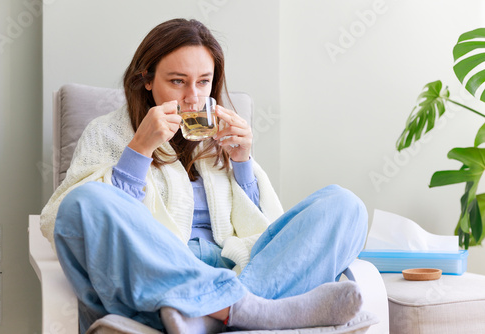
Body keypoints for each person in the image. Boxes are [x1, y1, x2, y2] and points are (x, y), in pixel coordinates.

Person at [40, 18, 368, 334]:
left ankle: (213, 315)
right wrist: (138, 151)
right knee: (83, 202)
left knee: (344, 206)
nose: (193, 97)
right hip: (159, 275)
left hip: (239, 267)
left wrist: (243, 164)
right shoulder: (107, 133)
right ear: (148, 78)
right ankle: (249, 311)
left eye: (204, 81)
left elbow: (264, 230)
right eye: (178, 81)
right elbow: (63, 223)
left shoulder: (223, 138)